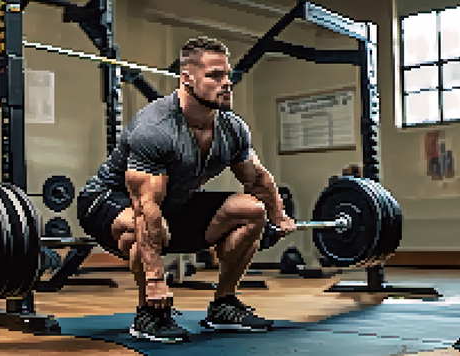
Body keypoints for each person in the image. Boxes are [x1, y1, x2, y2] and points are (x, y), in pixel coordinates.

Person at [77, 36, 296, 343]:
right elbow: (145, 207)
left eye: (227, 74)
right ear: (187, 79)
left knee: (251, 210)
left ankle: (224, 304)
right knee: (147, 229)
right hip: (107, 202)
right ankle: (149, 314)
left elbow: (257, 179)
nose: (227, 83)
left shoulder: (231, 128)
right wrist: (155, 279)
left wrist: (279, 216)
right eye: (215, 76)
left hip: (170, 205)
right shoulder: (156, 127)